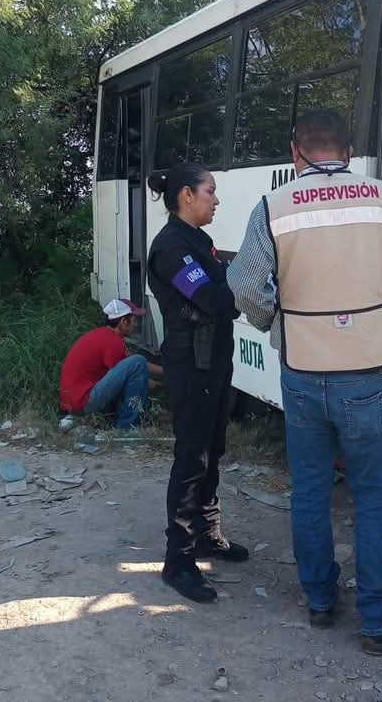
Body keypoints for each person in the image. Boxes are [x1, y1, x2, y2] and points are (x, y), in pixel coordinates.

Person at [227, 109, 382, 654]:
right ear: (348, 151)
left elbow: (242, 282)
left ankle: (320, 599)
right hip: (368, 371)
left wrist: (276, 320)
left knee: (309, 490)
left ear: (296, 151)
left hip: (304, 374)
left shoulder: (275, 205)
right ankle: (379, 619)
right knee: (373, 497)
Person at [146, 163, 249, 603]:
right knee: (192, 458)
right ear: (187, 195)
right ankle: (179, 561)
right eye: (210, 191)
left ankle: (208, 535)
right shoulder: (172, 247)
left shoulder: (197, 242)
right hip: (192, 365)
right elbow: (214, 299)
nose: (216, 199)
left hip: (214, 363)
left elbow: (219, 288)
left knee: (213, 451)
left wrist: (230, 274)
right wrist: (242, 278)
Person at [58, 297, 163, 429]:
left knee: (137, 361)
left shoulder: (103, 335)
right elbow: (127, 376)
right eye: (134, 321)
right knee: (138, 361)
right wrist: (146, 382)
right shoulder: (113, 342)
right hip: (83, 401)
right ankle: (128, 426)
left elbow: (126, 364)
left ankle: (116, 418)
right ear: (124, 322)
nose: (136, 325)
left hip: (72, 402)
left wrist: (166, 370)